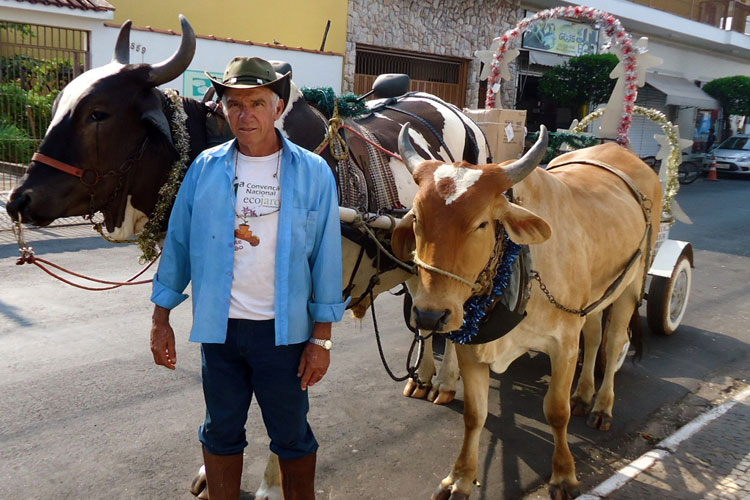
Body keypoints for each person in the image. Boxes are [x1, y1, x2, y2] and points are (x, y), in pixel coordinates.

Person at [149, 56, 347, 500]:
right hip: (220, 333)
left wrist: (322, 339)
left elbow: (326, 261)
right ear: (222, 108)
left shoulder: (313, 174)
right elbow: (179, 243)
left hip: (286, 338)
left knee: (292, 435)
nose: (245, 114)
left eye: (257, 102)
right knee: (220, 431)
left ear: (278, 108)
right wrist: (161, 318)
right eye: (234, 103)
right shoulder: (204, 168)